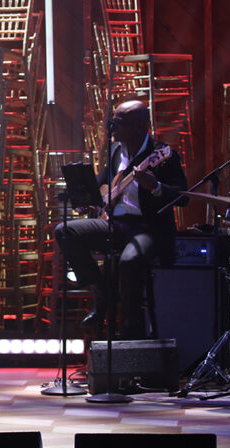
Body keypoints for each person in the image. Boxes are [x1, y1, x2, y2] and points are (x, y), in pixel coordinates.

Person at [53, 100, 188, 339]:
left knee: (129, 261)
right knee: (65, 231)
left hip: (149, 228)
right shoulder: (116, 151)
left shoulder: (163, 154)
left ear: (140, 126)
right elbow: (102, 182)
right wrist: (89, 198)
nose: (112, 127)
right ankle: (101, 292)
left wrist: (155, 186)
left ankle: (130, 326)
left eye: (119, 123)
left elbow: (182, 196)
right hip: (116, 225)